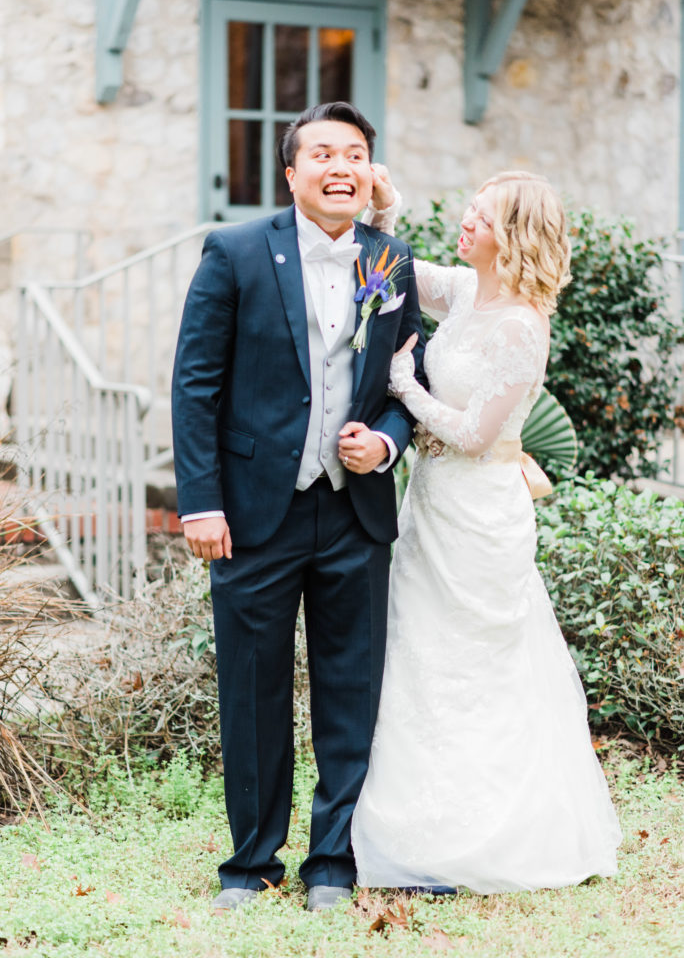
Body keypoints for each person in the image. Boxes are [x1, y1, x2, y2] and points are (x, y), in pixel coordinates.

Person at [171, 103, 425, 912]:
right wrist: (201, 503)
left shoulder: (391, 260)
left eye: (354, 153)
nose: (339, 166)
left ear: (369, 172)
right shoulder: (238, 251)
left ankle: (332, 861)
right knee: (251, 688)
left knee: (351, 690)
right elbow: (196, 384)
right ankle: (250, 863)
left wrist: (384, 443)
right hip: (251, 514)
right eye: (322, 153)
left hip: (355, 515)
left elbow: (405, 389)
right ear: (292, 172)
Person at [351, 169, 622, 893]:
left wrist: (407, 389)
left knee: (473, 662)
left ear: (514, 239)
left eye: (481, 216)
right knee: (421, 656)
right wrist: (383, 208)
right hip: (431, 505)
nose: (465, 222)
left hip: (482, 513)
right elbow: (396, 271)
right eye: (469, 209)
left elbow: (475, 435)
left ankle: (489, 831)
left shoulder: (521, 327)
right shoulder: (468, 292)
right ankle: (410, 820)